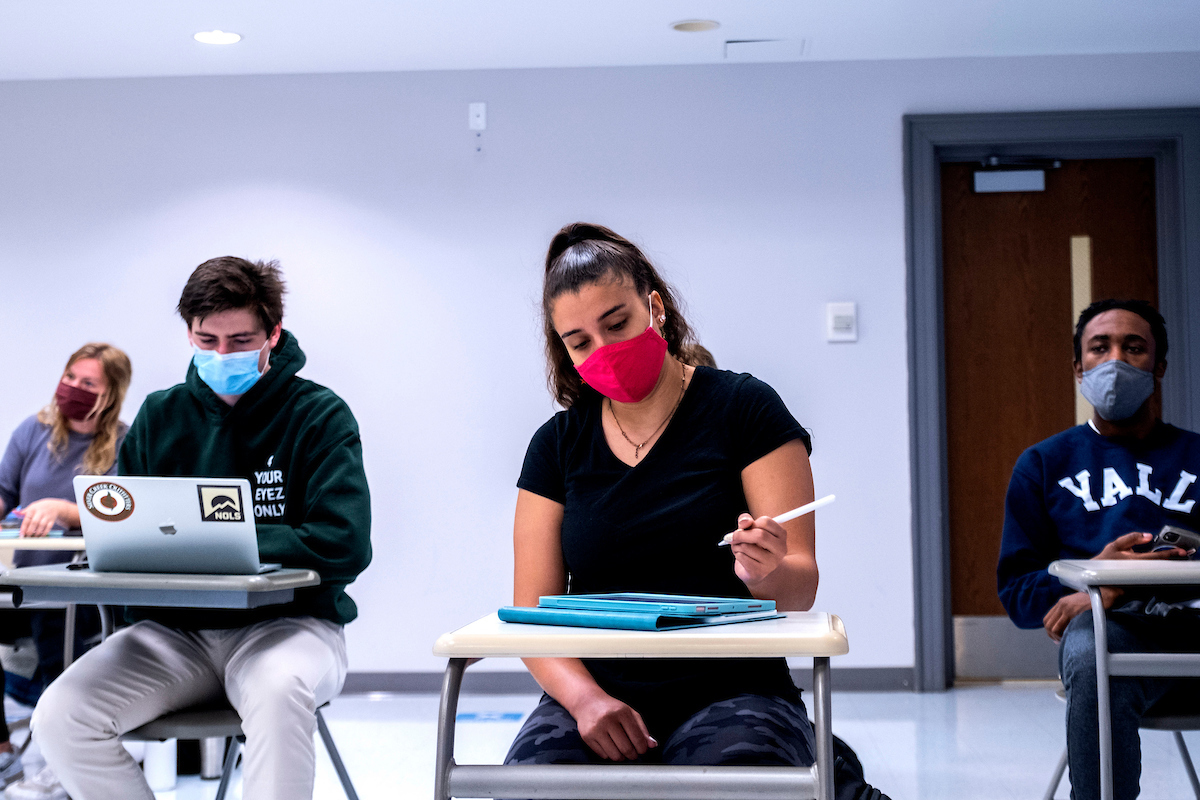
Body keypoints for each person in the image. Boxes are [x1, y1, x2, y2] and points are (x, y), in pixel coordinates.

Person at [505, 223, 885, 800]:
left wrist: (767, 572)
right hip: (597, 689)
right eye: (580, 341)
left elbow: (799, 586)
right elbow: (532, 612)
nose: (604, 351)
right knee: (531, 789)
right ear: (564, 349)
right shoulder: (555, 446)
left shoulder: (744, 409)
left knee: (738, 782)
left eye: (617, 323)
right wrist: (586, 701)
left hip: (733, 685)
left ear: (654, 308)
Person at [31, 257, 372, 800]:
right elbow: (125, 537)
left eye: (240, 340)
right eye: (206, 338)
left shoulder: (319, 415)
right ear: (187, 332)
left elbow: (345, 543)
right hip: (174, 636)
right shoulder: (159, 416)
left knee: (279, 691)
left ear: (273, 334)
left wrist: (228, 540)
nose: (221, 354)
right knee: (60, 715)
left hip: (289, 628)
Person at [997, 298, 1200, 800]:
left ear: (1160, 366)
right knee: (1092, 655)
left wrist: (1120, 581)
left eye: (1134, 348)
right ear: (1077, 368)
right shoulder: (1043, 464)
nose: (1115, 361)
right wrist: (1098, 581)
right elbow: (1020, 596)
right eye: (1099, 348)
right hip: (1115, 639)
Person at [0, 343, 132, 796]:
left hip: (81, 590)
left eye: (87, 383)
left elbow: (125, 510)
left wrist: (64, 509)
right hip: (22, 583)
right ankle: (3, 752)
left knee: (58, 632)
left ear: (110, 393)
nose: (72, 388)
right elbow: (4, 492)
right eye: (69, 377)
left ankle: (64, 762)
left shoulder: (126, 442)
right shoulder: (34, 432)